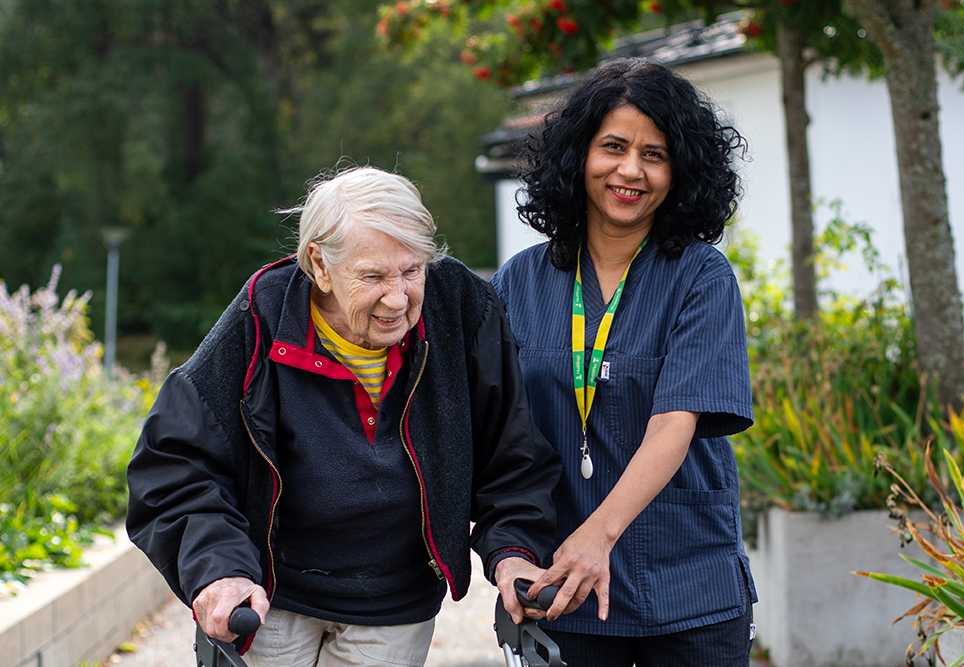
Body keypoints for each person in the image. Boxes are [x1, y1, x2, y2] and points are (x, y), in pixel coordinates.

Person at [126, 166, 561, 667]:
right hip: (272, 597)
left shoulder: (460, 306)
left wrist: (514, 550)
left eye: (412, 271)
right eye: (373, 276)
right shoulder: (261, 318)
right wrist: (218, 571)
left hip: (395, 599)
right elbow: (175, 465)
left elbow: (511, 449)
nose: (398, 299)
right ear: (320, 265)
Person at [490, 58, 756, 666]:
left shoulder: (701, 277)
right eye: (613, 147)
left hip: (688, 589)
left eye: (655, 154)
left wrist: (597, 538)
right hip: (561, 589)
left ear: (681, 170)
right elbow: (495, 440)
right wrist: (508, 553)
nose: (630, 171)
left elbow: (674, 423)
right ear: (579, 155)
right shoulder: (518, 284)